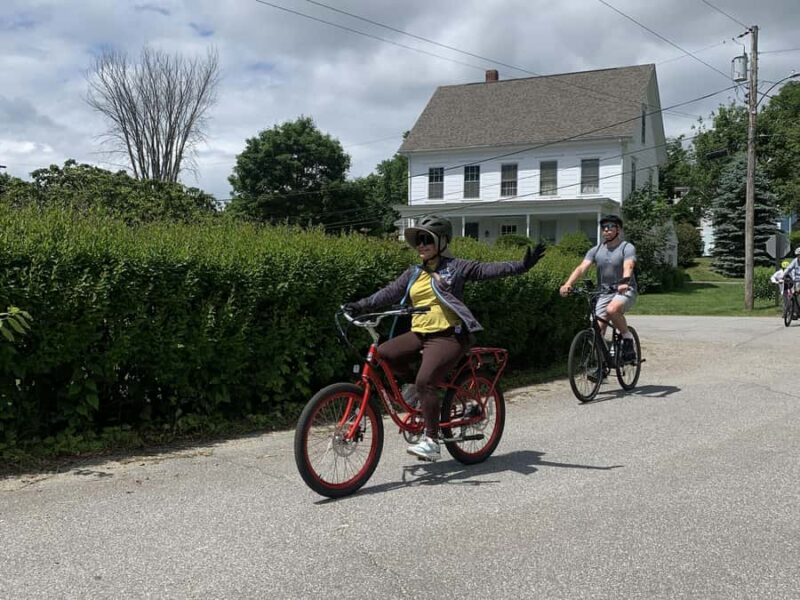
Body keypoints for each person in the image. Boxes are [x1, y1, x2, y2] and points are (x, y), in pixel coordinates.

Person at [343, 214, 545, 462]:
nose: (421, 245)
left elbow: (486, 270)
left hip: (449, 336)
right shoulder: (414, 273)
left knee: (426, 380)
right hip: (420, 334)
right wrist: (359, 305)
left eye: (427, 239)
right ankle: (416, 392)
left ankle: (431, 439)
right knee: (384, 354)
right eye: (418, 240)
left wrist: (521, 266)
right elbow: (388, 293)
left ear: (442, 241)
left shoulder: (456, 267)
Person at [559, 214, 638, 362]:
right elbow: (582, 268)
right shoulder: (596, 250)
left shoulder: (626, 247)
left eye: (610, 227)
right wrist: (568, 284)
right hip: (604, 292)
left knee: (612, 310)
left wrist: (625, 281)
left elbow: (629, 265)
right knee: (597, 329)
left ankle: (627, 338)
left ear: (618, 229)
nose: (606, 230)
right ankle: (601, 365)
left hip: (625, 290)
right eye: (604, 228)